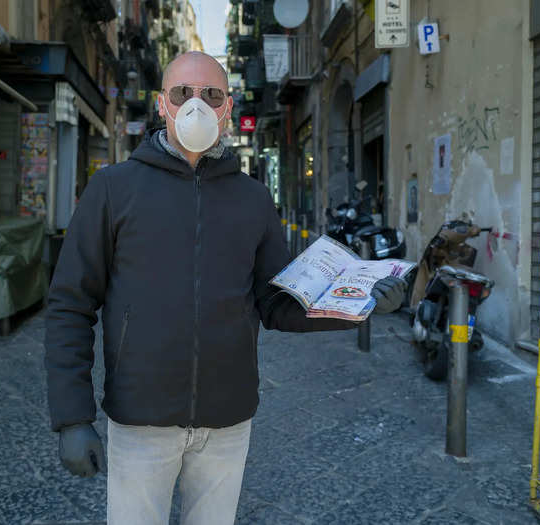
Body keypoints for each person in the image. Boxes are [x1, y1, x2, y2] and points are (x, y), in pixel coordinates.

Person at [44, 51, 406, 525]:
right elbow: (70, 304)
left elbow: (277, 304)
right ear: (162, 105)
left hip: (228, 420)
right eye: (183, 94)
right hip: (139, 418)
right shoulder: (113, 188)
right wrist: (72, 417)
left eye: (210, 94)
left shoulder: (253, 198)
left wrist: (359, 305)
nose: (197, 104)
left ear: (228, 108)